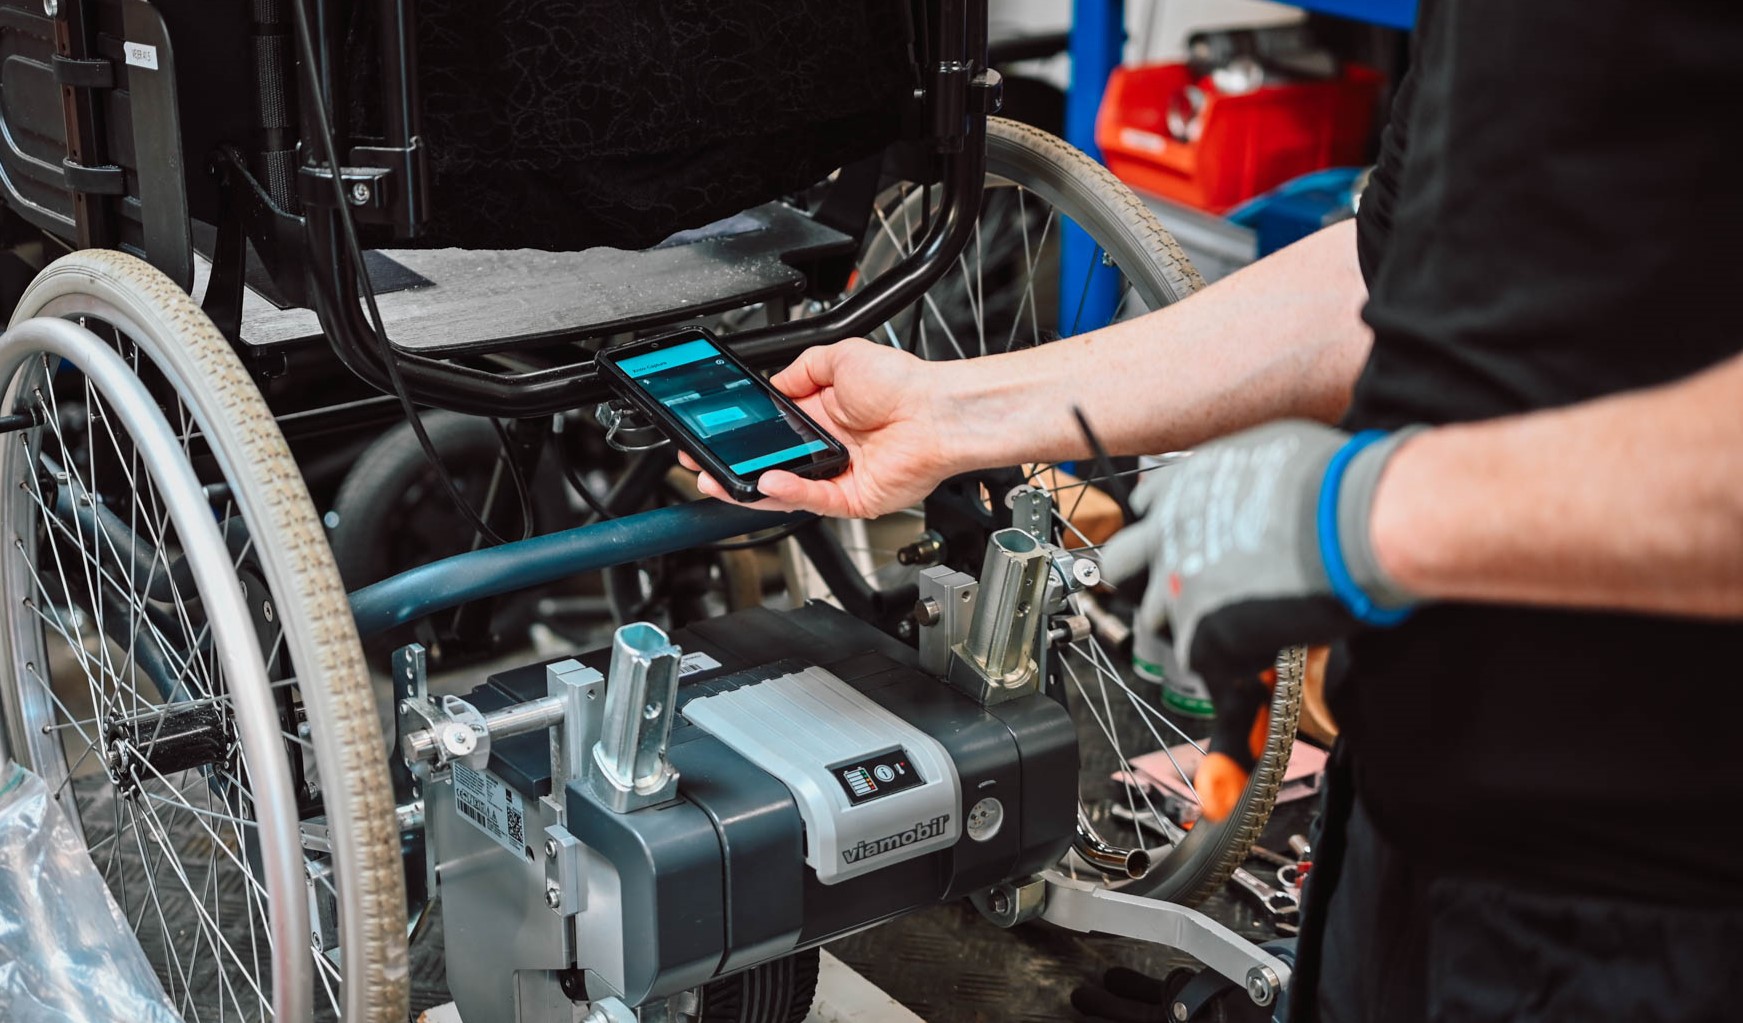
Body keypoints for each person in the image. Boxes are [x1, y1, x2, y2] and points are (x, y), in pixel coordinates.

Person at [687, 1, 1743, 1018]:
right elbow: (1396, 269)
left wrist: (1361, 514)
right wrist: (950, 410)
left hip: (1672, 902)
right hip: (1421, 833)